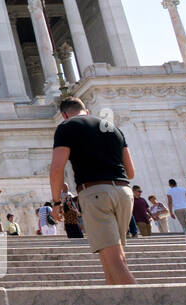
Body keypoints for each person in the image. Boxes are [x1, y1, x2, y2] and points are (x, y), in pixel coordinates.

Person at [49, 96, 136, 285]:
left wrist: (56, 202)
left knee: (116, 262)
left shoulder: (67, 127)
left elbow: (57, 168)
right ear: (86, 110)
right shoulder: (113, 128)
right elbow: (130, 171)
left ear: (64, 114)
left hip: (95, 193)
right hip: (124, 193)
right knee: (112, 258)